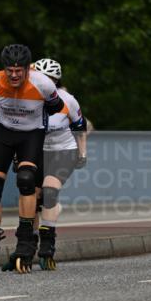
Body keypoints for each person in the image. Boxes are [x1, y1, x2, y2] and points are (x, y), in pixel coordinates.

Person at [0, 43, 64, 275]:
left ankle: (26, 241)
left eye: (19, 70)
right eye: (9, 70)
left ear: (28, 69)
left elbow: (56, 107)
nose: (14, 75)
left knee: (26, 180)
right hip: (3, 133)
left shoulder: (43, 84)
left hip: (31, 135)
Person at [29, 57, 87, 270]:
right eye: (41, 78)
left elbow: (80, 127)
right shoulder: (28, 98)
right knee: (31, 197)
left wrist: (82, 153)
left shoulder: (67, 100)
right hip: (39, 151)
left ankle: (47, 246)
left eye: (50, 79)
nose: (45, 83)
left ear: (56, 81)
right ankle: (29, 242)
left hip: (64, 150)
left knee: (49, 193)